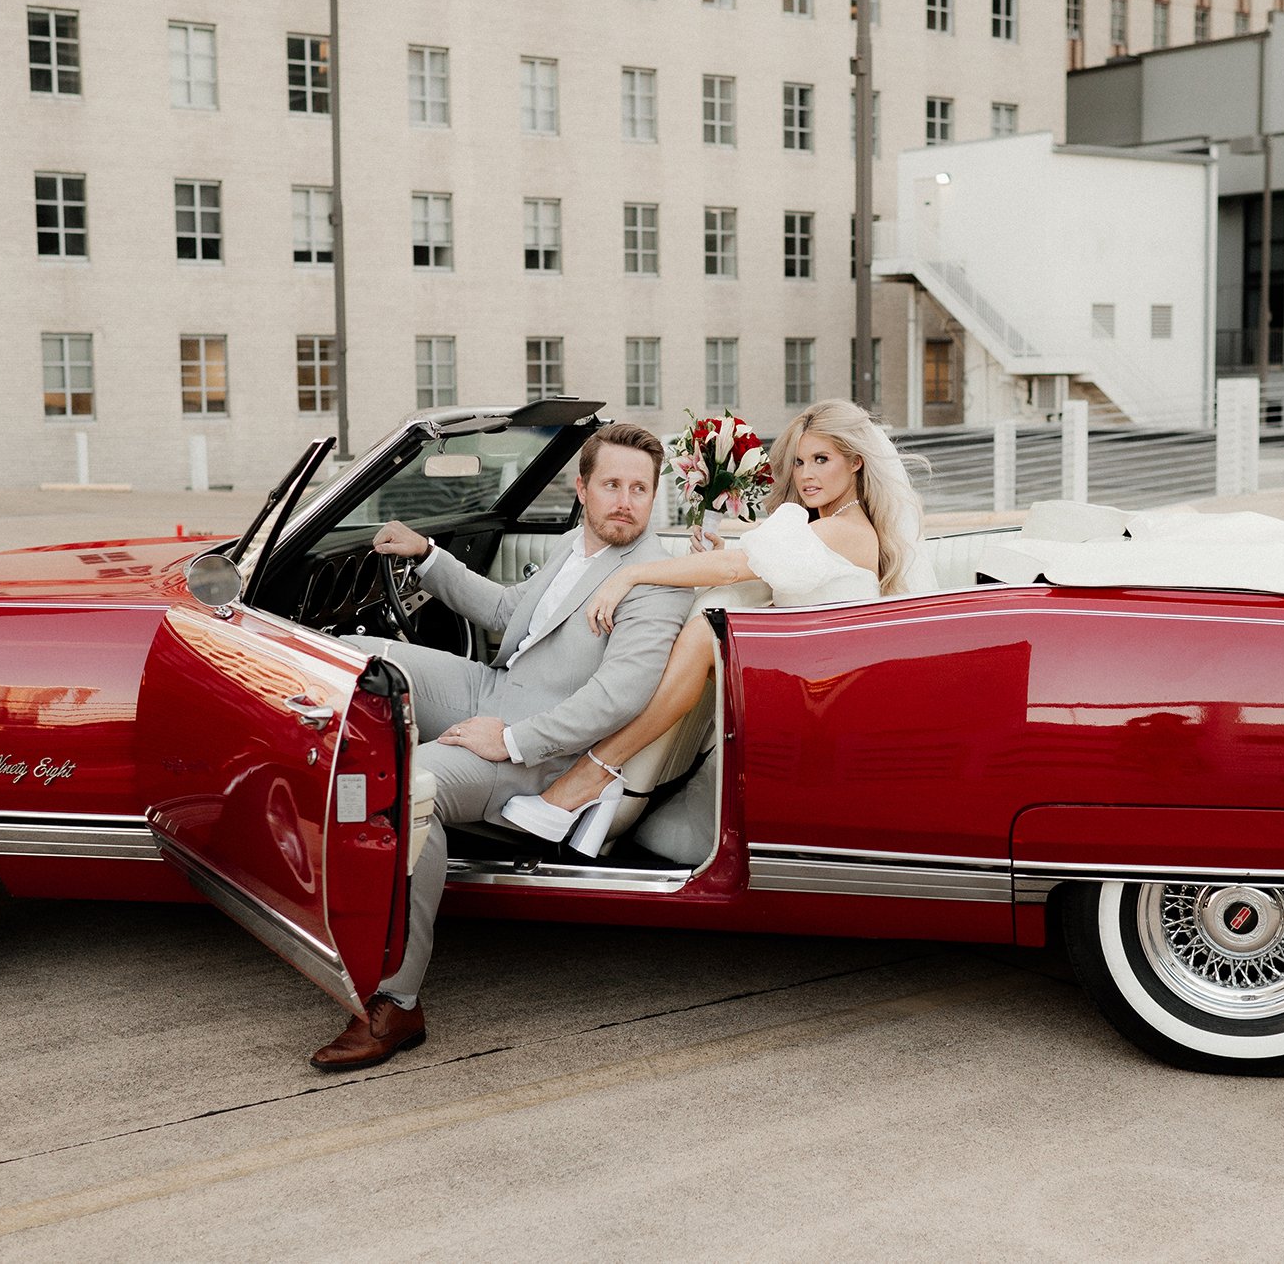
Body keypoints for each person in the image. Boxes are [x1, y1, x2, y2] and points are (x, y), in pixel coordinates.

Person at [309, 422, 692, 1072]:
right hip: (495, 687)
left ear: (654, 496)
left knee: (408, 789)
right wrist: (429, 555)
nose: (625, 501)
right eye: (612, 485)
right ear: (582, 488)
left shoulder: (655, 581)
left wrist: (511, 739)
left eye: (639, 488)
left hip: (541, 752)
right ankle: (313, 809)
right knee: (348, 658)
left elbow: (619, 697)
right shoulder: (578, 544)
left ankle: (397, 1000)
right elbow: (508, 609)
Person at [503, 399, 929, 829]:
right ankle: (597, 768)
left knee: (701, 634)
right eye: (800, 461)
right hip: (807, 670)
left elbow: (732, 569)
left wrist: (630, 574)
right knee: (707, 626)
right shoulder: (833, 524)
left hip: (821, 688)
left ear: (855, 462)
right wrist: (726, 558)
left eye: (822, 459)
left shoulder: (840, 529)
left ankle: (594, 772)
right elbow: (766, 570)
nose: (807, 475)